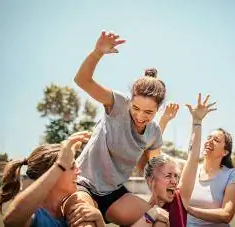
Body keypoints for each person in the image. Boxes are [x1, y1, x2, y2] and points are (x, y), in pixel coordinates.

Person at [64, 30, 175, 226]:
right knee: (85, 223)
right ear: (129, 101)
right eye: (136, 108)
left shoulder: (154, 133)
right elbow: (82, 80)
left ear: (158, 109)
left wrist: (158, 195)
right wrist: (98, 52)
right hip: (83, 184)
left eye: (149, 112)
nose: (141, 116)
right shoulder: (118, 105)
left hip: (114, 192)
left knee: (161, 219)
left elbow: (151, 168)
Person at [0, 132, 106, 227]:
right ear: (52, 174)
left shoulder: (72, 212)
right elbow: (11, 221)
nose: (78, 172)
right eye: (71, 167)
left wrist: (99, 221)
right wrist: (60, 164)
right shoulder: (36, 216)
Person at [143, 93, 217, 227]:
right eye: (168, 175)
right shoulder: (138, 212)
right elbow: (153, 153)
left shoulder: (179, 199)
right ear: (151, 180)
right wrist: (163, 120)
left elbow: (193, 159)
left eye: (176, 176)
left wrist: (197, 121)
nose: (174, 181)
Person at [186, 127, 235, 226]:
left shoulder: (232, 174)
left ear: (225, 152)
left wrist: (188, 209)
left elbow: (226, 215)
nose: (209, 141)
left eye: (216, 140)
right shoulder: (191, 170)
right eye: (209, 137)